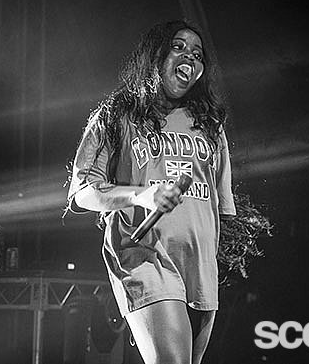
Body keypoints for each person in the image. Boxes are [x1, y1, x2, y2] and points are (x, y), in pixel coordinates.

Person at [66, 19, 236, 364]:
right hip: (145, 258)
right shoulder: (117, 115)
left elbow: (221, 206)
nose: (189, 57)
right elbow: (83, 192)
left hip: (200, 266)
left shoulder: (211, 125)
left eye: (198, 54)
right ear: (155, 56)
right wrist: (140, 195)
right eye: (178, 47)